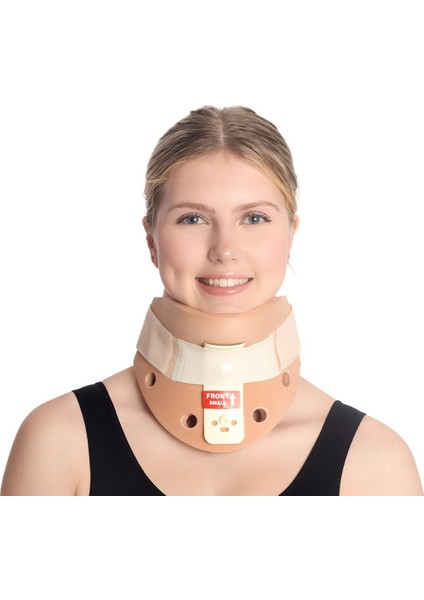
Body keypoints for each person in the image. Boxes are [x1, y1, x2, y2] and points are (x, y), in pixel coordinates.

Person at [1, 106, 422, 496]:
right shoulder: (59, 441)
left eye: (254, 218)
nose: (224, 250)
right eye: (193, 218)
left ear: (291, 233)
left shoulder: (376, 462)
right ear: (151, 239)